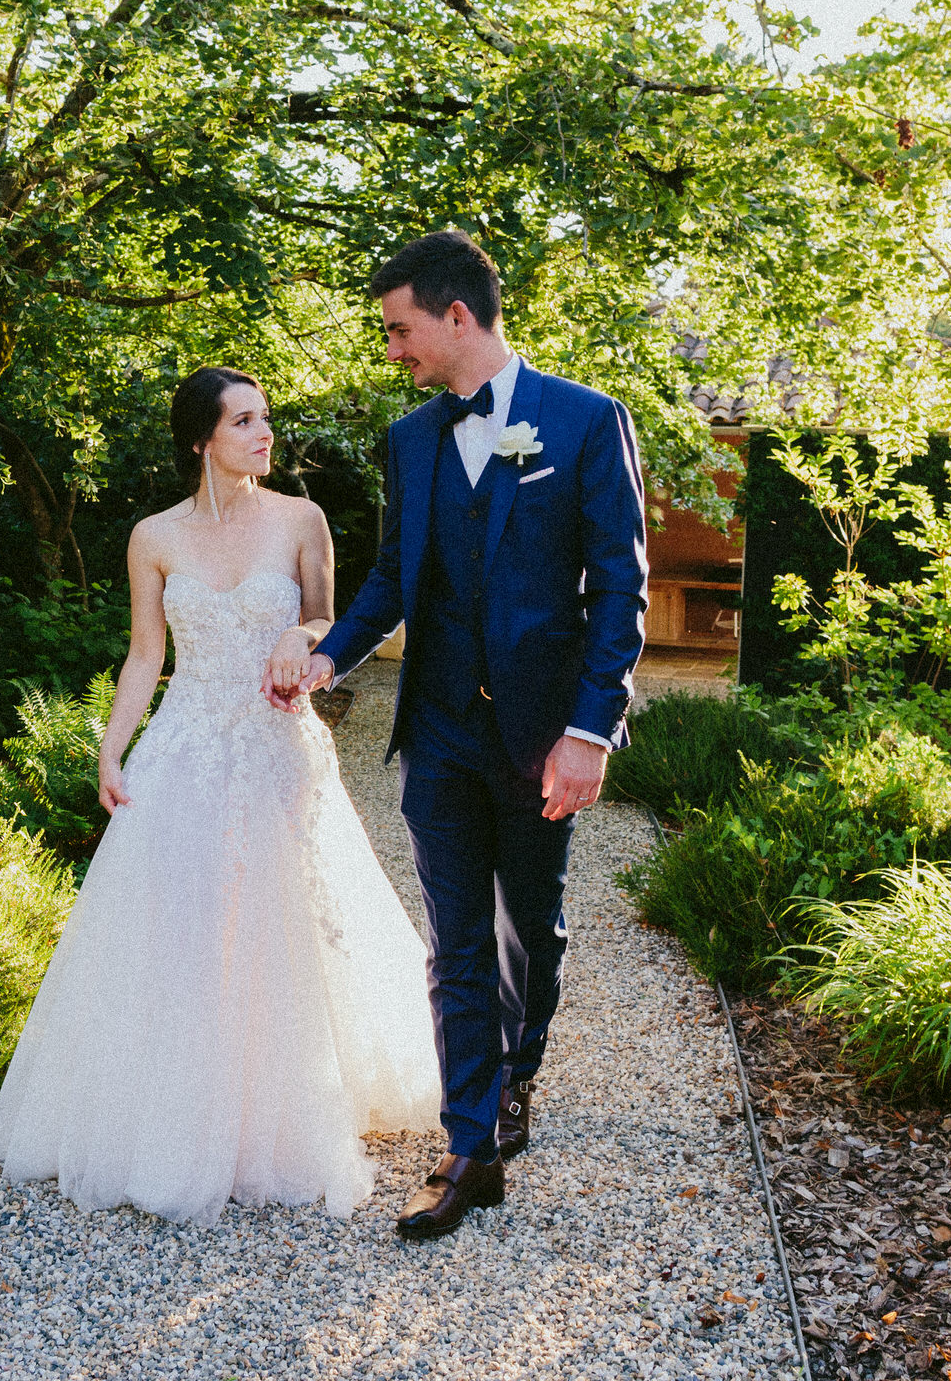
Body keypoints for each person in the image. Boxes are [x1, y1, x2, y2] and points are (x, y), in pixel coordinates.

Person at [0, 366, 441, 1224]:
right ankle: (181, 1114)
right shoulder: (153, 536)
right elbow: (146, 655)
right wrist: (110, 753)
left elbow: (330, 624)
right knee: (185, 928)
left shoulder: (302, 520)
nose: (265, 434)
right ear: (201, 439)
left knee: (282, 926)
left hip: (277, 746)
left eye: (267, 418)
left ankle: (285, 1109)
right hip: (186, 749)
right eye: (243, 422)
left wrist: (298, 641)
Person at [273, 229, 649, 1241]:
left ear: (455, 315)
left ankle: (518, 1070)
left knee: (535, 925)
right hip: (437, 731)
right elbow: (395, 577)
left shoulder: (585, 422)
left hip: (541, 735)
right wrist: (327, 656)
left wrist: (589, 731)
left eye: (399, 329)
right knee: (455, 941)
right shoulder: (411, 440)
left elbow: (620, 593)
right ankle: (469, 1144)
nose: (392, 350)